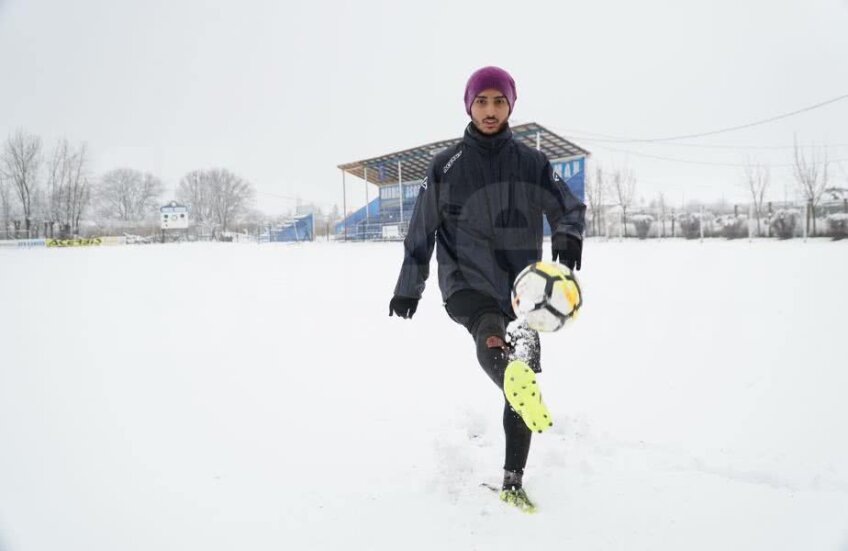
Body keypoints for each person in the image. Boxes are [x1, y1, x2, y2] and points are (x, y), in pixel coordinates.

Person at [388, 66, 585, 512]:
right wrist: (409, 287)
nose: (491, 110)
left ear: (511, 105)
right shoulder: (446, 166)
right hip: (466, 281)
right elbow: (422, 229)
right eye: (482, 102)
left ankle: (513, 473)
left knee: (519, 378)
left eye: (499, 101)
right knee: (492, 333)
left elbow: (566, 206)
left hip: (525, 289)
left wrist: (568, 234)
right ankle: (512, 475)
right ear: (469, 106)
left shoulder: (532, 164)